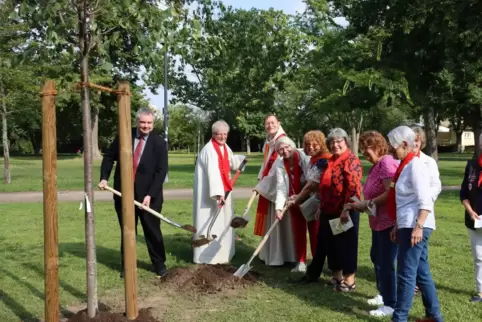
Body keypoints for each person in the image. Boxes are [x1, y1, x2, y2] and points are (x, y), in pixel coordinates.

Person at [98, 107, 168, 278]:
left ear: (153, 123)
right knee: (128, 231)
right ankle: (127, 266)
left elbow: (161, 171)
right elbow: (109, 157)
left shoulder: (159, 143)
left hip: (150, 197)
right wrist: (104, 177)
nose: (145, 126)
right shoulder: (124, 136)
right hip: (124, 194)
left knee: (152, 230)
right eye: (142, 122)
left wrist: (149, 195)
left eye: (149, 123)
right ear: (137, 122)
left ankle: (159, 264)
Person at [386, 125, 443, 322]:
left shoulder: (415, 165)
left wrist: (418, 226)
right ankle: (434, 316)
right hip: (407, 224)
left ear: (404, 144)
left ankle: (399, 318)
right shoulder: (405, 165)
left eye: (392, 145)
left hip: (415, 226)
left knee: (406, 274)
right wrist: (396, 225)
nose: (390, 149)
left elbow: (425, 199)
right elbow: (404, 201)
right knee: (420, 272)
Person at [297, 128, 362, 293]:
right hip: (328, 209)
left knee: (345, 245)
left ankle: (349, 281)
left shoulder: (351, 160)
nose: (335, 145)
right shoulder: (331, 160)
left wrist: (347, 209)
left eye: (338, 141)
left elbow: (353, 188)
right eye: (332, 142)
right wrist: (321, 206)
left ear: (345, 142)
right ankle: (337, 277)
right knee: (330, 244)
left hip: (344, 211)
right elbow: (324, 186)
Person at [347, 130, 400, 317]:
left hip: (387, 222)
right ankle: (383, 294)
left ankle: (391, 304)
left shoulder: (386, 163)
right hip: (376, 221)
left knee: (385, 263)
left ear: (377, 146)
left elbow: (390, 193)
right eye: (362, 150)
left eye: (366, 149)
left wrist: (367, 203)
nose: (364, 153)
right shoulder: (377, 164)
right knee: (376, 258)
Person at [192, 120, 245, 264]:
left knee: (224, 222)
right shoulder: (209, 150)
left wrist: (241, 160)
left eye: (224, 134)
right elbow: (213, 173)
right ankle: (208, 257)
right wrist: (218, 194)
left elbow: (229, 161)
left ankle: (223, 254)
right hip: (210, 196)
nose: (222, 137)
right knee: (210, 221)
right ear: (213, 134)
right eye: (219, 134)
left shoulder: (224, 147)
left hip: (224, 190)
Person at [254, 114, 297, 266]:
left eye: (272, 122)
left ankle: (283, 256)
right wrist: (260, 179)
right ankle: (271, 253)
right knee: (272, 220)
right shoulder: (270, 142)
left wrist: (262, 186)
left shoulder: (282, 142)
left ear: (279, 123)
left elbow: (277, 171)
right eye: (267, 123)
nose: (270, 125)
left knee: (281, 222)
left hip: (281, 189)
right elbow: (265, 165)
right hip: (269, 188)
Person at [288, 130, 332, 273]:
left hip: (326, 203)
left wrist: (298, 197)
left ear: (322, 145)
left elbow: (311, 184)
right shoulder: (313, 160)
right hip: (316, 200)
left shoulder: (323, 160)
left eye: (315, 144)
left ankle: (329, 267)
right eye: (307, 145)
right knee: (316, 232)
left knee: (322, 234)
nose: (310, 147)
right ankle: (317, 263)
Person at [409, 125, 442, 297]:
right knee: (417, 257)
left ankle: (416, 284)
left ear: (421, 141)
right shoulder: (403, 161)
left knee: (419, 255)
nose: (413, 143)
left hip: (423, 215)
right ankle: (418, 285)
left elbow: (436, 186)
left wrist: (424, 200)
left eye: (416, 139)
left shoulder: (429, 161)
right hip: (405, 216)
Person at [274, 136, 311, 272]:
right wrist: (279, 208)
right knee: (298, 231)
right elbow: (281, 187)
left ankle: (317, 263)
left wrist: (301, 196)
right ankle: (301, 262)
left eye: (287, 147)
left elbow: (311, 180)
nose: (284, 151)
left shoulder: (304, 157)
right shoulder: (279, 164)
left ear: (292, 145)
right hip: (293, 202)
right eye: (281, 149)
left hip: (310, 199)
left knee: (314, 231)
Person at [459, 133, 482, 303]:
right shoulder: (472, 166)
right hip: (474, 220)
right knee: (479, 256)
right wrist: (470, 211)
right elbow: (463, 193)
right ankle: (481, 291)